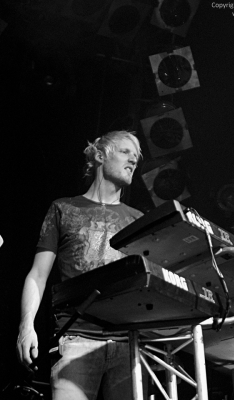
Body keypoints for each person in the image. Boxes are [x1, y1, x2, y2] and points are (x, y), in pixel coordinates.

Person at [16, 130, 146, 400]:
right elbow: (38, 275)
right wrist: (26, 326)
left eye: (136, 156)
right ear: (100, 155)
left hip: (128, 343)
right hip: (76, 338)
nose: (133, 159)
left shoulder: (139, 219)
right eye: (125, 152)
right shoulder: (63, 208)